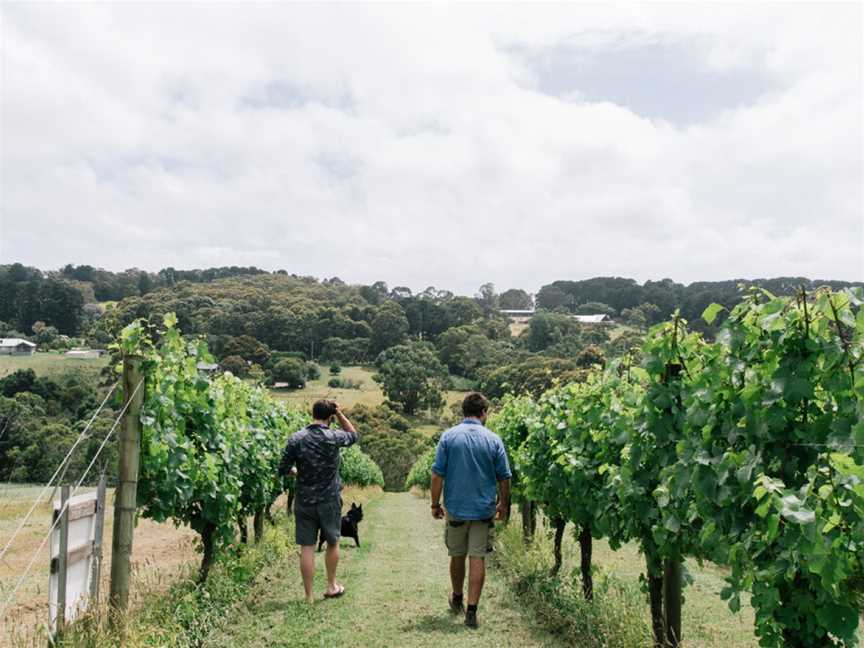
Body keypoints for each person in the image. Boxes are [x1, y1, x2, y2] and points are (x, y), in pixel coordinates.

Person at [430, 392, 511, 628]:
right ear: (483, 412)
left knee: (457, 554)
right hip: (483, 510)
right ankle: (472, 611)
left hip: (455, 507)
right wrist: (503, 503)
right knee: (478, 557)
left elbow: (437, 474)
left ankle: (457, 598)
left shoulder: (448, 437)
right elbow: (504, 478)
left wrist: (435, 504)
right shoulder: (494, 439)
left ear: (463, 411)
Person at [279, 399, 358, 603]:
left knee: (307, 546)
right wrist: (340, 414)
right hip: (329, 500)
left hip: (304, 500)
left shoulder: (296, 438)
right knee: (332, 542)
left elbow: (282, 468)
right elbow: (353, 435)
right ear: (330, 417)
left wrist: (296, 471)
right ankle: (331, 586)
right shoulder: (333, 436)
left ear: (312, 414)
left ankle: (308, 596)